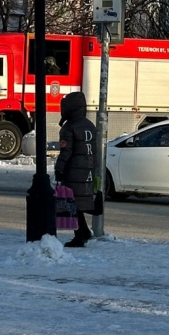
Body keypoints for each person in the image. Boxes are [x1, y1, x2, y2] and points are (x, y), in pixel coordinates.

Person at [54, 92, 97, 248]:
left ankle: (79, 236)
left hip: (74, 170)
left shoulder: (69, 127)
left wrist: (59, 169)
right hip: (88, 170)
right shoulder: (89, 125)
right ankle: (84, 232)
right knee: (78, 203)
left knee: (72, 203)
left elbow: (66, 152)